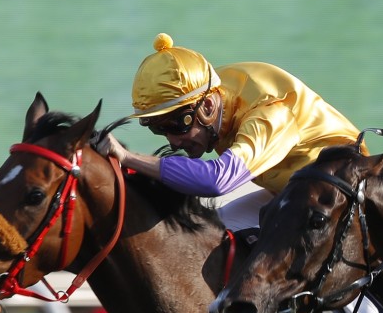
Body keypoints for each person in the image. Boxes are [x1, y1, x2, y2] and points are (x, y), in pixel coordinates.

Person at [99, 33, 361, 232]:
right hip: (291, 193)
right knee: (215, 232)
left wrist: (128, 157)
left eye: (178, 125)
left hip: (342, 199)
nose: (173, 141)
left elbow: (217, 182)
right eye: (159, 129)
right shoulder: (213, 92)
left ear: (209, 106)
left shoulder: (269, 114)